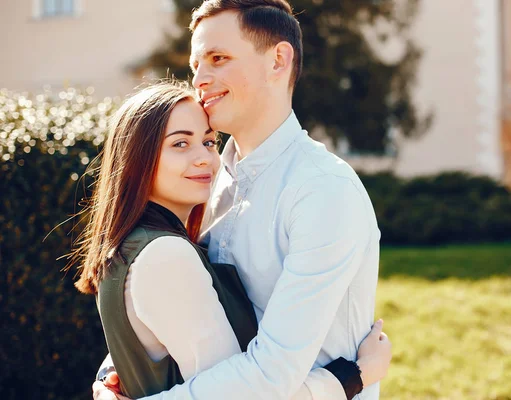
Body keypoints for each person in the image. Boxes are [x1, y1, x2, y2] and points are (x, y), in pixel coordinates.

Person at [94, 1, 385, 399]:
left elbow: (272, 372)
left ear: (278, 60)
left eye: (218, 58)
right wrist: (116, 370)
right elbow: (170, 304)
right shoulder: (205, 183)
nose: (200, 78)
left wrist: (353, 378)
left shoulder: (322, 190)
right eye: (196, 64)